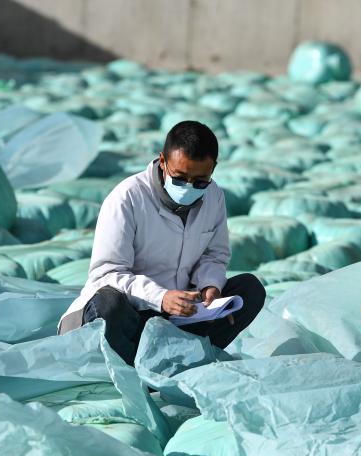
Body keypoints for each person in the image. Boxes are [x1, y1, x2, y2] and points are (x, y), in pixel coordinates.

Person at [58, 121, 266, 364]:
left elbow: (214, 255)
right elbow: (106, 273)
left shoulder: (214, 196)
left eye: (200, 181)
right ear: (163, 161)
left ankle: (180, 358)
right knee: (110, 304)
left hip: (173, 318)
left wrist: (210, 286)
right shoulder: (127, 198)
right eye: (179, 178)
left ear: (213, 169)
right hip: (127, 313)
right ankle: (141, 367)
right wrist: (161, 297)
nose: (189, 187)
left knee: (249, 290)